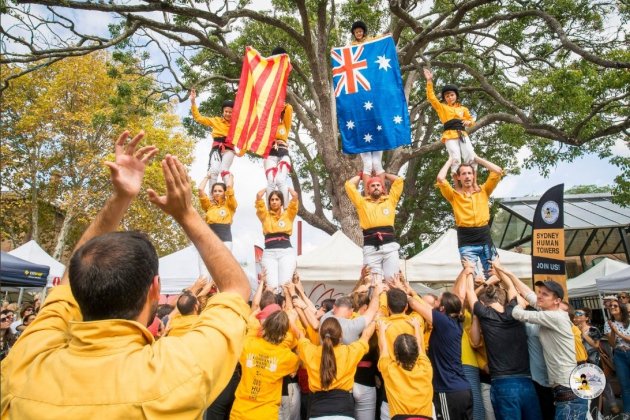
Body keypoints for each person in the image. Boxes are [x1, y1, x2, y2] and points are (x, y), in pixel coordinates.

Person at [0, 131, 251, 417]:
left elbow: (69, 282)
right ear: (154, 290)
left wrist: (120, 197)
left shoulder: (26, 362)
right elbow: (235, 288)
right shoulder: (177, 370)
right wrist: (187, 214)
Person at [466, 261, 541, 419]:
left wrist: (469, 270)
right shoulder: (514, 311)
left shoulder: (484, 315)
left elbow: (469, 293)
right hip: (527, 381)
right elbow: (512, 287)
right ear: (503, 299)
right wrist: (500, 270)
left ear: (482, 303)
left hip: (502, 382)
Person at [508, 274, 588, 419]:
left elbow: (516, 313)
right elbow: (528, 293)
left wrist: (518, 302)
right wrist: (507, 273)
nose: (539, 296)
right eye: (540, 292)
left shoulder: (555, 317)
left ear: (557, 301)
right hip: (569, 389)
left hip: (568, 392)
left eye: (545, 294)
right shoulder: (550, 313)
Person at [407, 267, 473, 420]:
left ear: (442, 308)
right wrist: (464, 272)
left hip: (448, 390)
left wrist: (406, 294)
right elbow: (459, 295)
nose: (435, 301)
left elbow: (415, 305)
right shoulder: (455, 321)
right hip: (463, 389)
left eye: (437, 300)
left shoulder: (444, 322)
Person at [293, 316, 376, 419]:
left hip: (317, 413)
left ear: (321, 336)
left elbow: (300, 336)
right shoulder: (349, 352)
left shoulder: (310, 352)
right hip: (344, 413)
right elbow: (366, 335)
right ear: (341, 335)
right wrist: (375, 320)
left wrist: (291, 320)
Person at [436, 156, 503, 278]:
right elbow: (440, 178)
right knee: (471, 276)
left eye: (469, 173)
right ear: (458, 177)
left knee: (494, 273)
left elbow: (497, 171)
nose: (467, 176)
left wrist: (477, 159)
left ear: (473, 176)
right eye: (463, 174)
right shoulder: (454, 195)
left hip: (484, 235)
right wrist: (451, 160)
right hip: (466, 238)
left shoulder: (483, 190)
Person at [230, 310, 300, 420]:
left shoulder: (248, 344)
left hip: (240, 412)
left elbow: (250, 327)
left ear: (265, 326)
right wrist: (293, 324)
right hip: (266, 414)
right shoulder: (286, 357)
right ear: (284, 333)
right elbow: (301, 344)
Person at [345, 173, 403, 280]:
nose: (376, 187)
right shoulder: (361, 202)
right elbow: (349, 185)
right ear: (368, 190)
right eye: (372, 185)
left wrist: (383, 174)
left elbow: (399, 181)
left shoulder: (390, 200)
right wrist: (360, 175)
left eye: (378, 185)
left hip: (390, 246)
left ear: (382, 188)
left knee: (393, 280)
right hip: (371, 248)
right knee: (372, 282)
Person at [423, 68, 477, 182]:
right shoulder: (442, 107)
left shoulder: (463, 109)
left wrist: (468, 122)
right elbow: (431, 98)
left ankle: (474, 181)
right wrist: (429, 81)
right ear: (445, 98)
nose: (450, 97)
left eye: (452, 95)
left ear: (456, 95)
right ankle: (456, 184)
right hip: (449, 135)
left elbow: (471, 120)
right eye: (447, 96)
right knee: (455, 157)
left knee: (470, 154)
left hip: (462, 134)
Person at [377, 318, 433, 420]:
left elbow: (383, 348)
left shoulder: (389, 369)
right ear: (416, 353)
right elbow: (420, 347)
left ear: (395, 353)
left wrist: (382, 330)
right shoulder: (426, 367)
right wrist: (416, 327)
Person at [256, 188, 299, 291]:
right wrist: (267, 188)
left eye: (277, 199)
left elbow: (295, 198)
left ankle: (287, 305)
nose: (274, 202)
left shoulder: (288, 214)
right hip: (269, 254)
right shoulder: (265, 215)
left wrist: (288, 189)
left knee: (285, 285)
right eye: (272, 199)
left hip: (286, 253)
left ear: (281, 202)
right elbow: (258, 197)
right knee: (272, 286)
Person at [190, 89, 235, 187]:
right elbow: (199, 118)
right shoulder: (216, 120)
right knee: (214, 171)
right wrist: (193, 102)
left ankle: (229, 194)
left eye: (230, 112)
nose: (228, 114)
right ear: (223, 111)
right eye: (226, 111)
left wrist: (241, 152)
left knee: (224, 170)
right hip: (216, 148)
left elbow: (245, 137)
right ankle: (212, 197)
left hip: (229, 150)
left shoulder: (237, 125)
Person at [198, 173, 237, 250]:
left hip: (225, 241)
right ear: (212, 193)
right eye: (215, 191)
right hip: (209, 240)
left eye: (220, 191)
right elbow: (200, 190)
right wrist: (207, 177)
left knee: (224, 262)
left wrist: (231, 176)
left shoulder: (229, 205)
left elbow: (229, 188)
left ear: (224, 193)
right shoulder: (209, 206)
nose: (217, 193)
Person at [604, 298, 630, 413]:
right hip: (619, 355)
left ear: (621, 307)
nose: (612, 307)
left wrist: (618, 332)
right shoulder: (608, 323)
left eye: (615, 305)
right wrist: (613, 331)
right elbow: (612, 344)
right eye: (610, 306)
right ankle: (627, 412)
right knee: (624, 386)